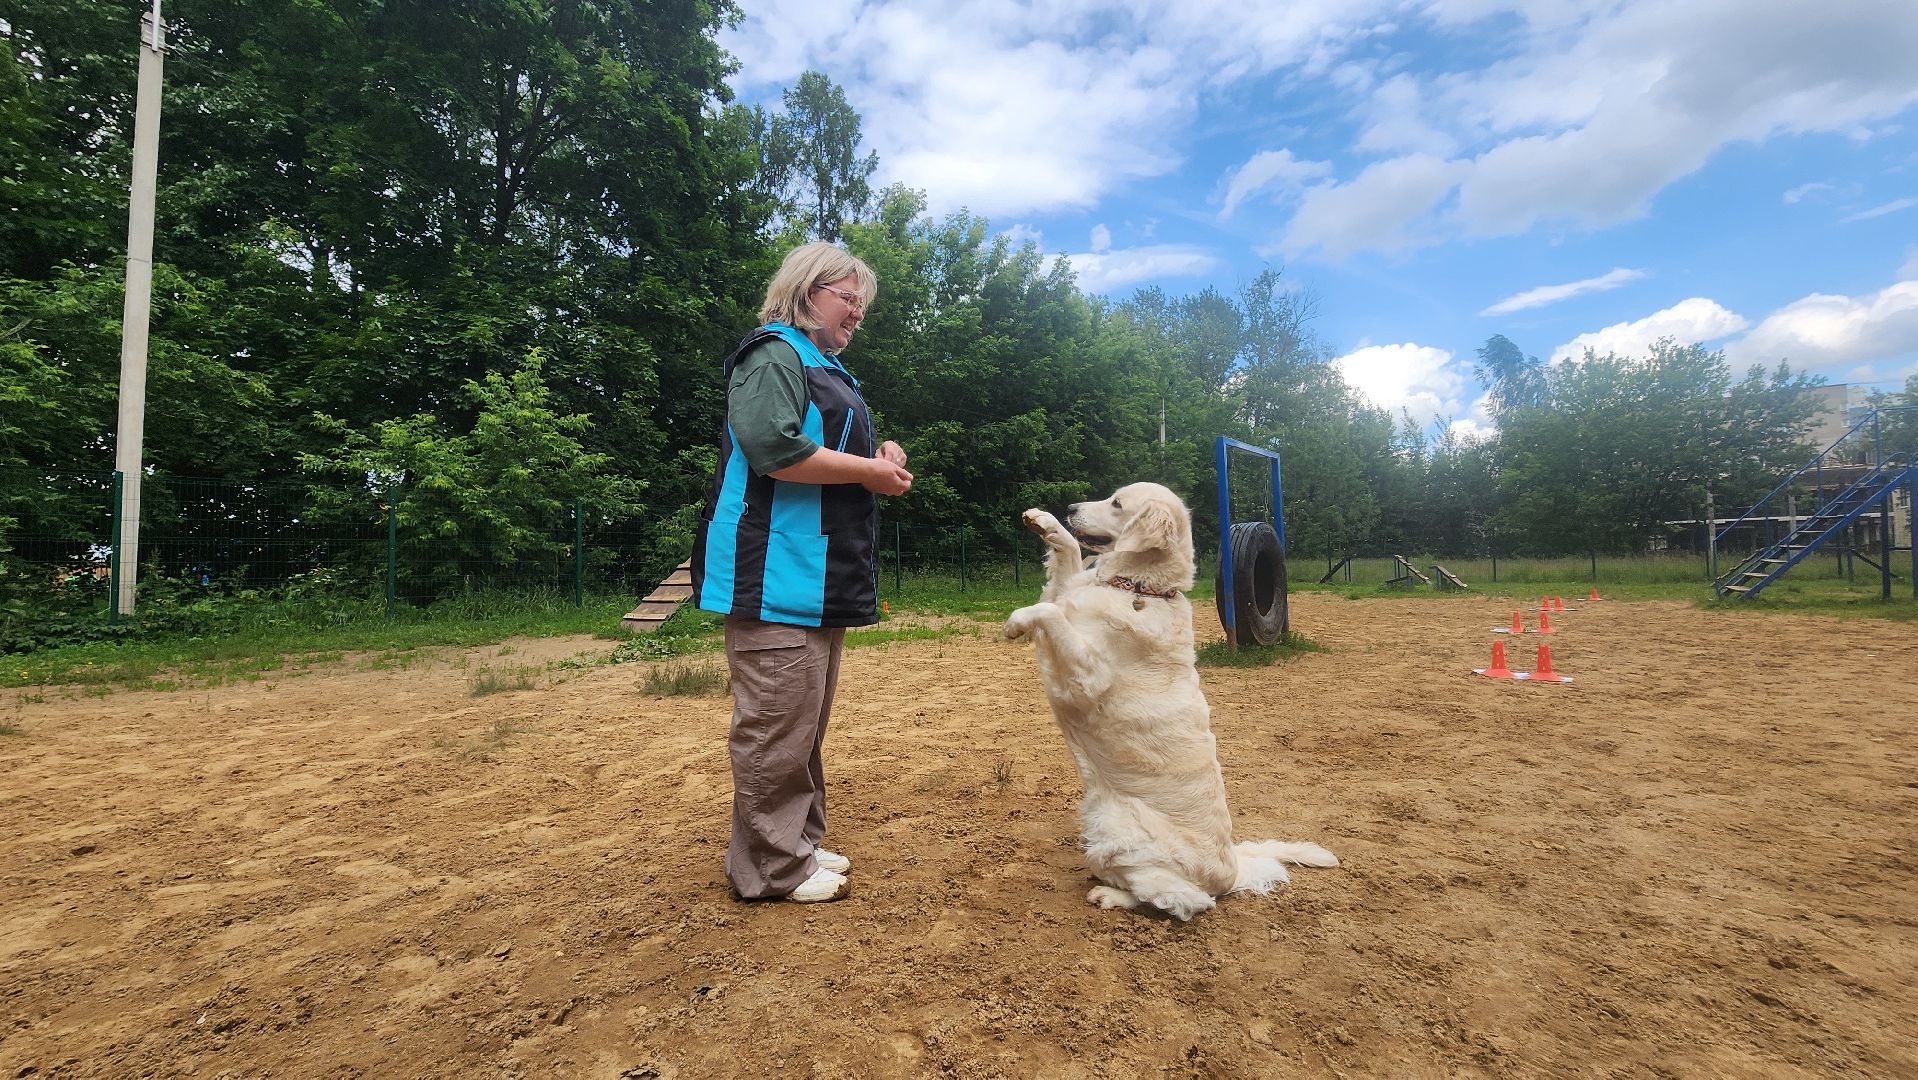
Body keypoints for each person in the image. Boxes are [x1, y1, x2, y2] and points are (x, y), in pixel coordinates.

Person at [690, 242, 912, 903]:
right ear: (807, 290)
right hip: (775, 577)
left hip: (816, 580)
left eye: (862, 305)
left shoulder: (824, 368)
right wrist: (869, 471)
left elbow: (824, 449)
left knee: (799, 727)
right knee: (774, 729)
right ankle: (770, 868)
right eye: (849, 298)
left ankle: (797, 844)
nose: (857, 314)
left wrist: (876, 455)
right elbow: (774, 449)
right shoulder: (774, 354)